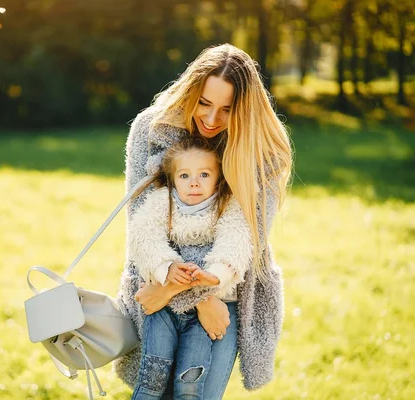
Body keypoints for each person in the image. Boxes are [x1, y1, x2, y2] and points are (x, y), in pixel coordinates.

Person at [113, 43, 293, 399]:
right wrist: (187, 293)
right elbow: (142, 224)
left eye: (227, 110)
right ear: (192, 90)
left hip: (222, 299)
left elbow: (245, 239)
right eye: (205, 104)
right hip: (157, 283)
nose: (211, 120)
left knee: (196, 394)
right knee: (152, 390)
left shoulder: (264, 152)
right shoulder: (151, 129)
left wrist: (199, 295)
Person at [129, 136, 253, 399]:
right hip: (164, 308)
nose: (194, 182)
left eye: (204, 174)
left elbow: (237, 241)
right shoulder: (165, 202)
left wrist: (215, 275)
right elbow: (142, 234)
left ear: (219, 178)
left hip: (203, 314)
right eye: (184, 175)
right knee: (152, 378)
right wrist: (165, 266)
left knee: (189, 384)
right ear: (173, 180)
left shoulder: (226, 205)